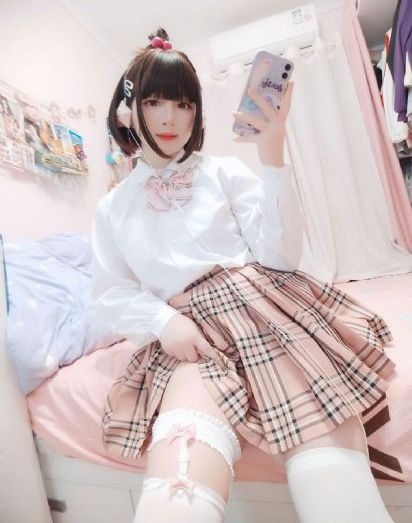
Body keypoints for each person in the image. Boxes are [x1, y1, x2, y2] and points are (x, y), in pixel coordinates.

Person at [91, 27, 396, 523]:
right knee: (179, 481)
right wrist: (164, 322)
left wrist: (272, 151)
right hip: (188, 335)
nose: (169, 118)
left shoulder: (223, 173)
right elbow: (111, 290)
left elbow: (279, 255)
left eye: (183, 104)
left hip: (261, 308)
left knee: (332, 478)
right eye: (153, 102)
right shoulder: (112, 208)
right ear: (127, 110)